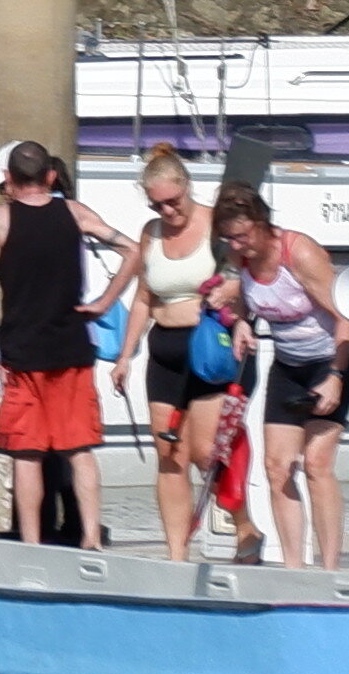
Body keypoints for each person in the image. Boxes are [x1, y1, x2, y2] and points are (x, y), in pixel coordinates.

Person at [0, 142, 129, 548]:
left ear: (8, 178)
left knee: (27, 455)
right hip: (71, 348)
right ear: (50, 176)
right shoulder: (75, 214)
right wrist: (105, 302)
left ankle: (31, 542)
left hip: (21, 352)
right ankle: (91, 537)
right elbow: (133, 249)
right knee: (80, 450)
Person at [96, 146, 244, 558]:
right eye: (157, 204)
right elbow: (143, 298)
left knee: (205, 454)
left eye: (172, 202)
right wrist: (126, 355)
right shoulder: (151, 233)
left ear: (187, 188)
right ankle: (176, 550)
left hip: (206, 348)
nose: (167, 211)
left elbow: (241, 277)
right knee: (168, 454)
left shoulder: (215, 224)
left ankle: (245, 526)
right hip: (164, 349)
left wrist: (229, 294)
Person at [223, 186, 349, 569]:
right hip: (288, 361)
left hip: (331, 356)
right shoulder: (239, 255)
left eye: (243, 236)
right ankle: (294, 566)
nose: (237, 245)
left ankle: (330, 567)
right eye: (230, 238)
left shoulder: (299, 253)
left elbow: (346, 314)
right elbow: (245, 299)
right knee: (277, 466)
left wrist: (336, 375)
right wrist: (243, 324)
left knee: (315, 462)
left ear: (263, 226)